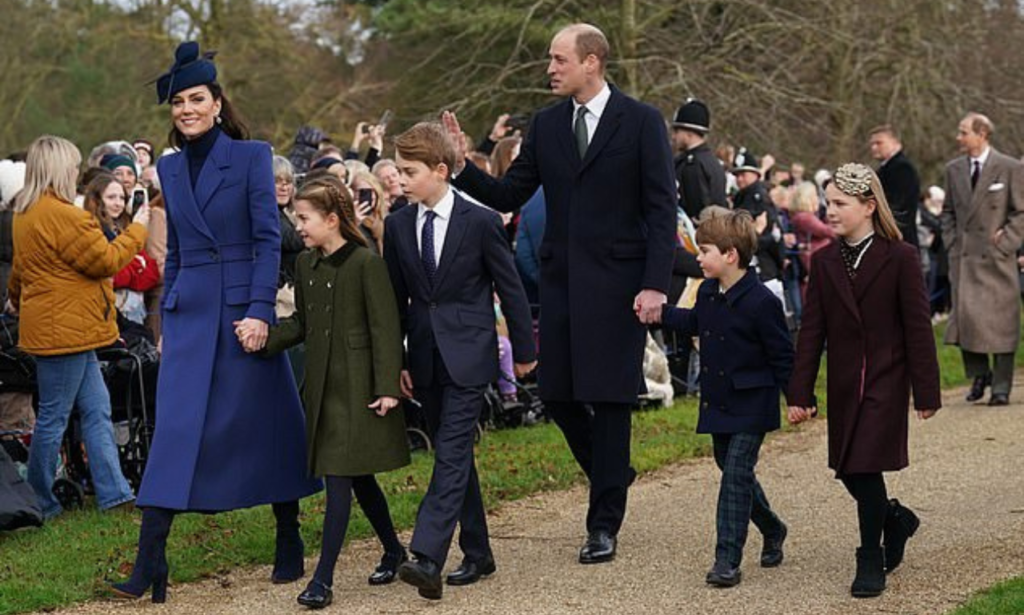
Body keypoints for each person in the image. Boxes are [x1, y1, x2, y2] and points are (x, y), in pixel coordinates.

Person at [442, 23, 677, 564]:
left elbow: (662, 209)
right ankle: (613, 475)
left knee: (613, 400)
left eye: (558, 59)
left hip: (622, 287)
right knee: (561, 396)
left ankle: (603, 525)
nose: (549, 69)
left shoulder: (640, 122)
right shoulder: (546, 125)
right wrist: (460, 166)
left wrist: (654, 285)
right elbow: (508, 192)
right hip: (563, 286)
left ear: (591, 61)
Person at [109, 42, 320, 603]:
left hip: (241, 315)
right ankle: (150, 562)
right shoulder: (171, 169)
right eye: (177, 101)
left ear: (218, 103)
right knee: (174, 435)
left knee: (269, 425)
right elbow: (175, 249)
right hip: (190, 313)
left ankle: (288, 534)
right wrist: (168, 310)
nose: (186, 109)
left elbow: (266, 238)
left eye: (196, 98)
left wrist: (257, 313)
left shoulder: (252, 157)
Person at [384, 122, 536, 600]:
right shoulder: (397, 225)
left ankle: (427, 555)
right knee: (456, 457)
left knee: (449, 451)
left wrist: (526, 355)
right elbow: (395, 302)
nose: (401, 180)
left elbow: (510, 289)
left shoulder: (481, 221)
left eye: (410, 171)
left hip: (470, 355)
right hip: (424, 358)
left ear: (441, 170)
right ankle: (478, 551)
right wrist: (397, 363)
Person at [787, 163, 940, 598]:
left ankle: (869, 557)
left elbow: (917, 327)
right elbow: (812, 331)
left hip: (885, 382)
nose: (829, 211)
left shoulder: (900, 256)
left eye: (840, 203)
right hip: (843, 384)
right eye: (828, 202)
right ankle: (896, 519)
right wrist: (801, 392)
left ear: (868, 206)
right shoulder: (824, 261)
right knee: (848, 469)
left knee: (863, 464)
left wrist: (925, 391)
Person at [256, 175, 409, 609]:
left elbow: (385, 328)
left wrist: (387, 386)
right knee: (359, 478)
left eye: (303, 219)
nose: (298, 227)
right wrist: (262, 341)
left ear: (332, 219)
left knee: (339, 480)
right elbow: (302, 323)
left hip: (360, 390)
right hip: (323, 390)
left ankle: (322, 579)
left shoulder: (365, 263)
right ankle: (395, 550)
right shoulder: (307, 265)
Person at [8, 135, 149, 519]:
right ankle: (40, 498)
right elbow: (105, 260)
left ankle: (114, 492)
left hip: (62, 327)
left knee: (96, 409)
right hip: (66, 331)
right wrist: (138, 229)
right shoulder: (65, 216)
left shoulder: (25, 213)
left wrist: (16, 299)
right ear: (58, 169)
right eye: (71, 166)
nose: (75, 172)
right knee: (54, 416)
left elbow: (21, 270)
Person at [653, 208, 791, 588]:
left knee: (734, 475)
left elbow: (782, 355)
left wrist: (797, 397)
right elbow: (695, 323)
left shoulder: (763, 301)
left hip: (753, 402)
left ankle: (726, 559)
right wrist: (658, 313)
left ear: (730, 255)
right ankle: (773, 527)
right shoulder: (710, 291)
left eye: (705, 250)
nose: (698, 257)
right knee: (731, 468)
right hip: (718, 401)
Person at [940, 112, 1024, 406]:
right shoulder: (953, 170)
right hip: (964, 258)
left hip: (997, 260)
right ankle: (980, 374)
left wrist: (1007, 243)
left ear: (982, 134)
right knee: (967, 320)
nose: (958, 137)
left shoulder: (1010, 167)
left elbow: (1021, 212)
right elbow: (948, 211)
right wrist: (952, 243)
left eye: (963, 132)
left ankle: (1001, 386)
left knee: (1003, 323)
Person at [81, 173, 161, 325]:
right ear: (97, 200)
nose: (118, 203)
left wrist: (128, 269)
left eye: (122, 198)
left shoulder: (122, 229)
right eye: (111, 198)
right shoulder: (90, 231)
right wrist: (135, 267)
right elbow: (110, 274)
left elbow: (151, 274)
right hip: (104, 314)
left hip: (132, 312)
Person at [671, 98, 727, 219]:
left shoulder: (693, 165)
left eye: (677, 131)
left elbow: (696, 211)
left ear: (689, 133)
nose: (673, 136)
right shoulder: (710, 161)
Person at [869, 125, 920, 247]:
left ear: (895, 143)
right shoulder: (886, 168)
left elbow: (896, 206)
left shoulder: (902, 168)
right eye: (872, 144)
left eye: (879, 143)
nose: (874, 148)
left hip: (897, 239)